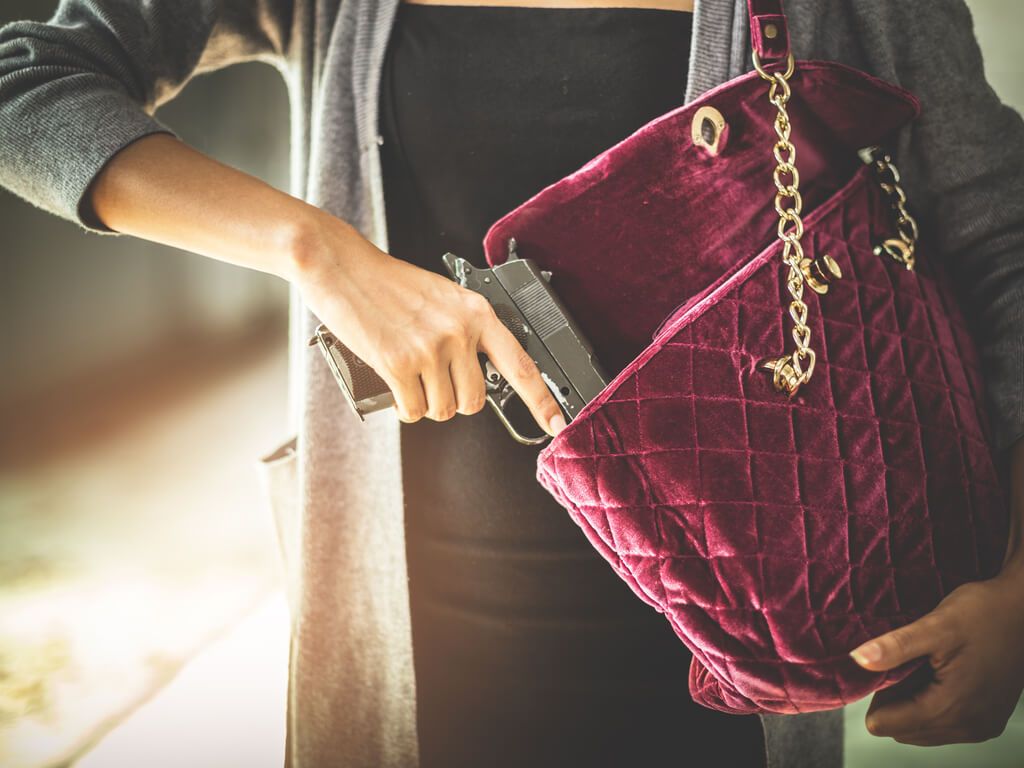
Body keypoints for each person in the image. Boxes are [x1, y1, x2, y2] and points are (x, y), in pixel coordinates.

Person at [1, 1, 1022, 766]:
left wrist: (1022, 587)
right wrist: (314, 250)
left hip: (731, 677)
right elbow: (25, 82)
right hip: (414, 647)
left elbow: (1003, 247)